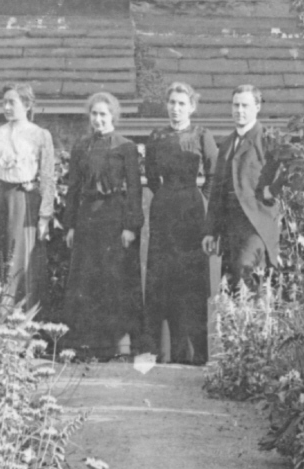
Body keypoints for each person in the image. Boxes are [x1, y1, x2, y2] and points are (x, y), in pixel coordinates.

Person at [62, 89, 145, 360]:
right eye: (94, 114)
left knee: (114, 280)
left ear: (113, 117)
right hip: (87, 219)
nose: (98, 120)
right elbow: (73, 189)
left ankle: (116, 346)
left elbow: (134, 190)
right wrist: (71, 226)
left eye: (103, 114)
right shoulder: (80, 147)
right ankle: (86, 345)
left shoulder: (127, 147)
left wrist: (130, 226)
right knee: (86, 281)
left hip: (114, 218)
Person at [141, 81, 217, 366]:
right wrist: (164, 197)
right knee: (161, 278)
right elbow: (149, 174)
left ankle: (193, 356)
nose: (175, 108)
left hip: (191, 211)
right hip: (163, 210)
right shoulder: (157, 136)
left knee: (190, 282)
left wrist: (201, 200)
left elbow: (214, 175)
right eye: (172, 103)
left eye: (182, 103)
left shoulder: (202, 135)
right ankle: (155, 355)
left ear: (192, 107)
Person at [0, 84, 58, 308]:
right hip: (0, 202)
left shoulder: (40, 135)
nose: (7, 107)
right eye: (4, 102)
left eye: (13, 102)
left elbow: (48, 177)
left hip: (26, 203)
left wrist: (45, 216)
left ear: (27, 105)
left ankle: (23, 320)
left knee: (23, 259)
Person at [208, 82, 285, 298]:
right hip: (230, 224)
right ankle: (240, 330)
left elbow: (297, 162)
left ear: (257, 107)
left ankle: (257, 327)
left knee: (247, 270)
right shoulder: (226, 144)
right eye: (235, 105)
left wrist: (273, 189)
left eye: (245, 106)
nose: (239, 111)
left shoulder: (268, 138)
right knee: (231, 281)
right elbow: (217, 190)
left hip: (256, 222)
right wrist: (210, 231)